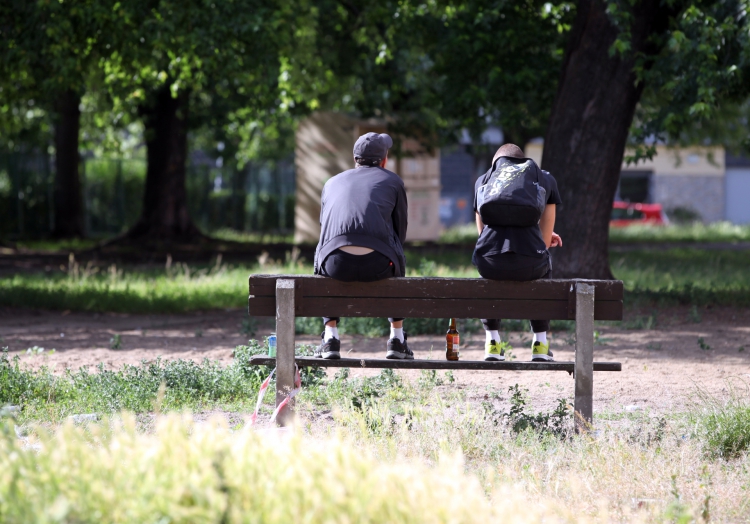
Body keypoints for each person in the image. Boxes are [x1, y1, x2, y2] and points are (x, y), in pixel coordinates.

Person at [313, 132, 412, 360]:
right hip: (379, 264)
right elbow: (401, 232)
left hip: (334, 265)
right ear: (384, 159)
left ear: (354, 158)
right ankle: (397, 338)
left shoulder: (331, 182)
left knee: (322, 247)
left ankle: (330, 338)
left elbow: (324, 228)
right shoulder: (393, 181)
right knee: (396, 249)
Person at [473, 143, 563, 361]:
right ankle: (540, 344)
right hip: (529, 263)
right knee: (544, 264)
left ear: (497, 164)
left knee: (487, 271)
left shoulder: (483, 180)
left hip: (490, 262)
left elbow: (482, 232)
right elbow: (544, 238)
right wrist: (538, 239)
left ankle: (492, 342)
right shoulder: (544, 178)